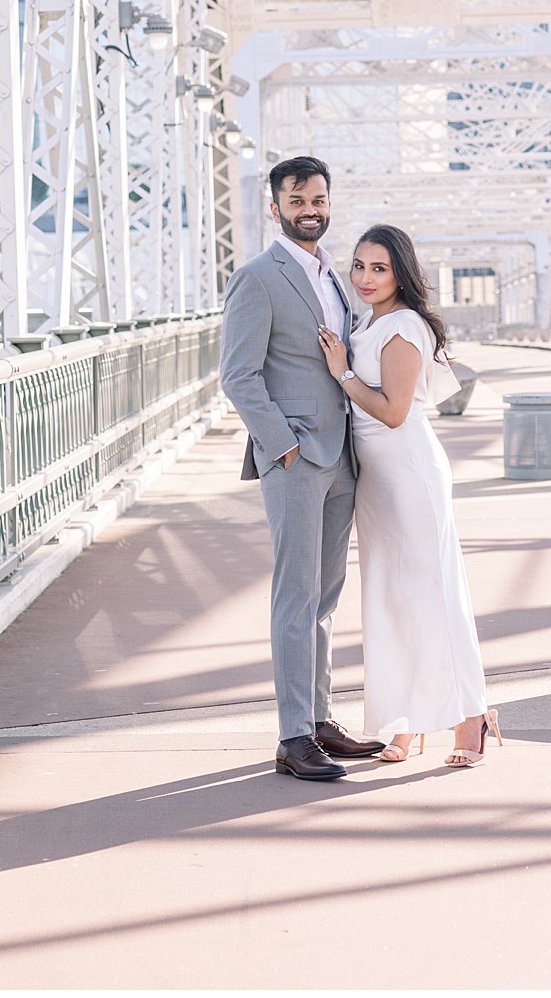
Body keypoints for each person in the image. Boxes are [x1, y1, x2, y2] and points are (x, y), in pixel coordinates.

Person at [219, 157, 387, 781]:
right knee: (295, 597)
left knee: (324, 599)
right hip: (295, 459)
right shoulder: (258, 278)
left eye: (318, 198)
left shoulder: (335, 279)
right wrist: (281, 444)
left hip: (341, 455)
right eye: (297, 200)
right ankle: (293, 736)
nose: (310, 208)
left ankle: (319, 719)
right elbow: (237, 375)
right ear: (275, 207)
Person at [318, 224, 500, 768]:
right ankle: (405, 720)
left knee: (433, 597)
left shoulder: (402, 326)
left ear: (401, 273)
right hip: (378, 480)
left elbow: (395, 411)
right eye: (359, 266)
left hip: (409, 474)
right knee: (390, 600)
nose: (365, 277)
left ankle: (471, 718)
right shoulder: (366, 321)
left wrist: (343, 373)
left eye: (380, 268)